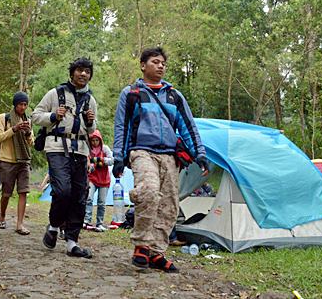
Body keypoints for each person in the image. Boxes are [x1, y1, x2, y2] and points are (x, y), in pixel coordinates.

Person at [112, 47, 209, 273]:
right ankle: (142, 245)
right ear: (143, 65)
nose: (161, 66)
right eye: (155, 62)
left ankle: (156, 252)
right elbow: (121, 127)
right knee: (148, 191)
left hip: (169, 156)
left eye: (163, 62)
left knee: (169, 205)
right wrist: (118, 157)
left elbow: (188, 127)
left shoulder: (175, 96)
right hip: (141, 152)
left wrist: (200, 154)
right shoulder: (132, 93)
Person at [32, 57, 97, 258]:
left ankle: (72, 242)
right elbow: (35, 116)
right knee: (62, 190)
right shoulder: (55, 94)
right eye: (79, 70)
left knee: (79, 195)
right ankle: (53, 225)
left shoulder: (91, 100)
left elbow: (92, 130)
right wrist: (53, 116)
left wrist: (90, 122)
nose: (83, 74)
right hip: (57, 147)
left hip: (80, 150)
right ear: (72, 73)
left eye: (87, 71)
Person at [0, 91, 34, 235]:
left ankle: (20, 224)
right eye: (20, 104)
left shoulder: (28, 120)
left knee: (23, 192)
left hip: (23, 161)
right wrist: (14, 129)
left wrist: (28, 132)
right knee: (6, 193)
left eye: (25, 104)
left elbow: (31, 143)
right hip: (7, 161)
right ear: (15, 104)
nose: (23, 107)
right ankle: (2, 216)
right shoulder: (4, 118)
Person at [84, 129, 114, 232]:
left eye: (97, 140)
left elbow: (112, 160)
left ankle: (99, 222)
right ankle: (86, 220)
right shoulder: (88, 150)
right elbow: (87, 163)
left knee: (101, 202)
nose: (95, 142)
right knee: (89, 198)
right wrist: (91, 165)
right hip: (92, 178)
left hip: (104, 180)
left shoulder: (105, 149)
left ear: (100, 140)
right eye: (93, 140)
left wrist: (102, 161)